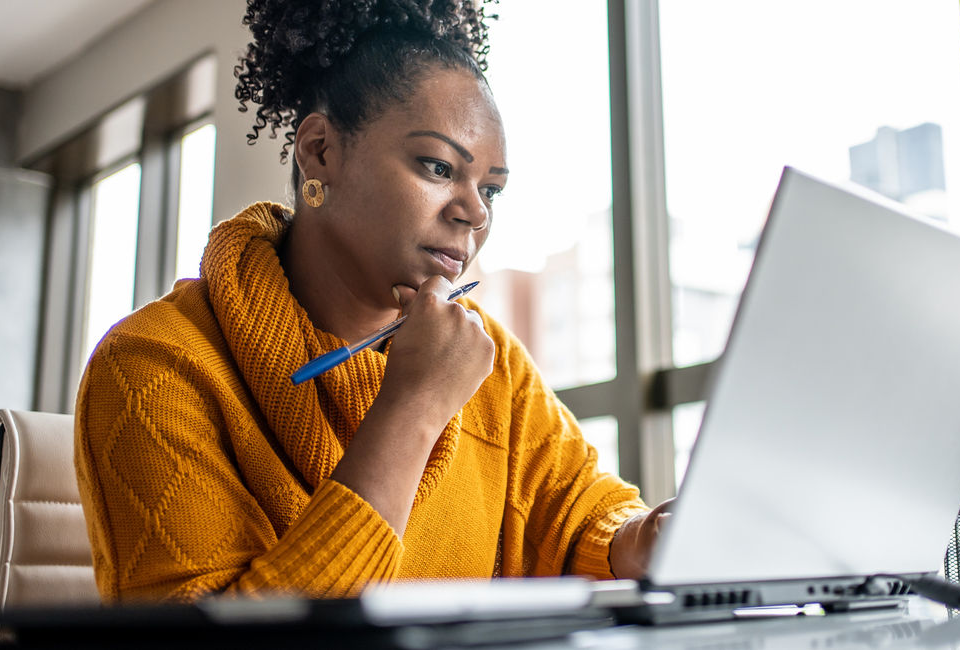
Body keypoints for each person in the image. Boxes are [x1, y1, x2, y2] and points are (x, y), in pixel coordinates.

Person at [74, 0, 668, 602]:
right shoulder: (151, 366)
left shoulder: (493, 362)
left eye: (490, 189)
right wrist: (413, 408)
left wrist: (640, 539)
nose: (477, 211)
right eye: (439, 166)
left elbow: (580, 514)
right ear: (320, 151)